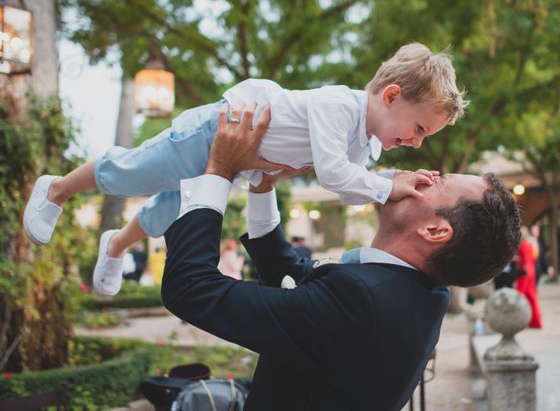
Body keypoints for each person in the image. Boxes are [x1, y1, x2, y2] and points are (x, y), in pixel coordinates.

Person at [23, 43, 466, 297]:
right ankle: (58, 188)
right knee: (131, 173)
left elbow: (352, 191)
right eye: (419, 128)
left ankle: (116, 245)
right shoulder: (339, 105)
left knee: (168, 213)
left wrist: (394, 182)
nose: (417, 142)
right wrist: (386, 186)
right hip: (213, 133)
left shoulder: (365, 142)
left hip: (234, 164)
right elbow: (333, 175)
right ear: (390, 97)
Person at [160, 103, 521, 410]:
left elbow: (191, 289)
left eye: (437, 182)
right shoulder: (420, 292)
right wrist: (263, 184)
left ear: (436, 231)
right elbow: (293, 278)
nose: (420, 174)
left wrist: (218, 170)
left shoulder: (363, 302)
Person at [515, 226, 542, 329]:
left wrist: (515, 259)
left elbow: (525, 260)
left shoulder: (523, 246)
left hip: (525, 273)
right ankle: (536, 321)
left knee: (520, 297)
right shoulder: (530, 245)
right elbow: (533, 258)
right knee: (532, 297)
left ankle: (520, 321)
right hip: (532, 272)